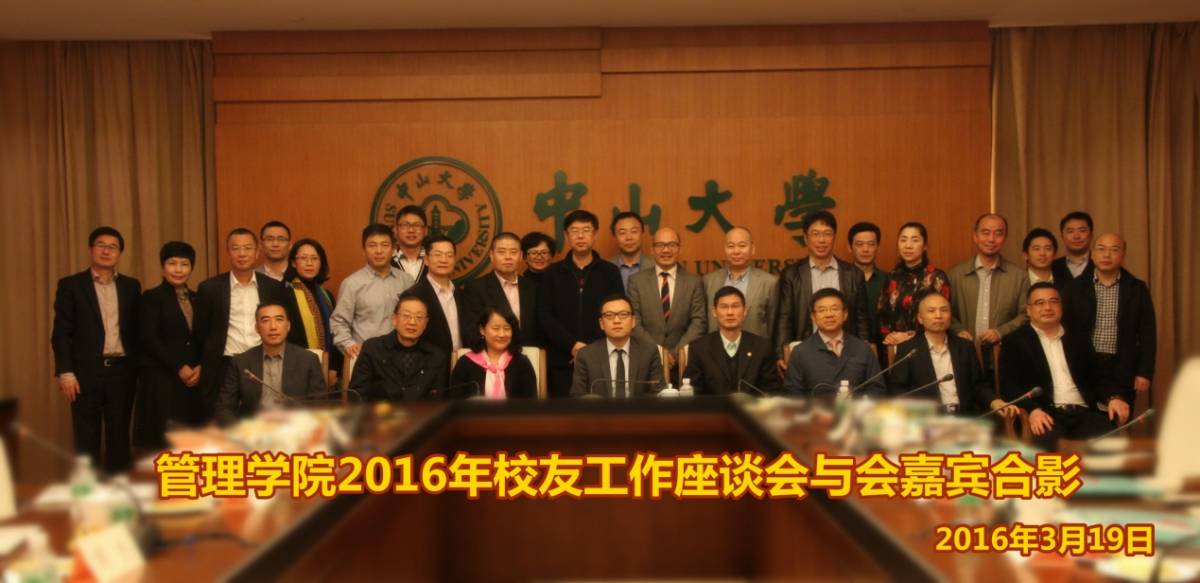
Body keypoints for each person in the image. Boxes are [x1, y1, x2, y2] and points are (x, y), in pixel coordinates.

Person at [51, 227, 142, 473]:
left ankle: (119, 498)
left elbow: (135, 330)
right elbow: (61, 333)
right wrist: (66, 373)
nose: (106, 251)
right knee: (86, 439)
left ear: (120, 253)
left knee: (119, 437)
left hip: (122, 372)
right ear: (90, 250)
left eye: (113, 247)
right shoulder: (71, 285)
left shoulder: (131, 286)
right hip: (85, 374)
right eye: (101, 245)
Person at [999, 283, 1128, 450]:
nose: (1047, 307)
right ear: (1029, 310)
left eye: (1053, 301)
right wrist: (1032, 410)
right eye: (1040, 303)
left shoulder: (1078, 339)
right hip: (1046, 414)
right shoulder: (1014, 341)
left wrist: (1113, 398)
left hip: (1083, 413)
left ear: (1061, 307)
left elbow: (1098, 377)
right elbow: (1009, 385)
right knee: (1048, 456)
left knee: (1113, 447)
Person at [194, 228, 293, 421]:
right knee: (223, 422)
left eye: (248, 248)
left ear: (257, 252)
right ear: (228, 252)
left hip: (262, 362)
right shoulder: (210, 288)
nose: (242, 253)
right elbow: (200, 331)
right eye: (236, 248)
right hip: (224, 364)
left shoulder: (272, 287)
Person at [537, 210, 625, 397]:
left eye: (586, 230)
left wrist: (588, 349)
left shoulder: (610, 272)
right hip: (562, 359)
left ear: (595, 234)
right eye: (574, 231)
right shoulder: (553, 272)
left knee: (601, 418)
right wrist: (572, 345)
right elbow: (545, 314)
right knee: (563, 419)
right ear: (566, 235)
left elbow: (617, 313)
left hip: (601, 357)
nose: (580, 236)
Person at [1063, 233, 1156, 407]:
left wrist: (1145, 372)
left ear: (1123, 255)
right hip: (1085, 365)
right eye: (1101, 249)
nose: (1107, 255)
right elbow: (1066, 330)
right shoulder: (1075, 288)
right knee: (1090, 425)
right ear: (1092, 253)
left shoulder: (1136, 288)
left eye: (1114, 250)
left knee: (1120, 423)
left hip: (1122, 368)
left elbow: (1147, 334)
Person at [888, 291, 1015, 417]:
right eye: (931, 311)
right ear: (920, 318)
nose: (938, 315)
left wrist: (995, 401)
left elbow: (978, 386)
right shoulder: (908, 349)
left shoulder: (965, 346)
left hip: (964, 418)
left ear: (950, 315)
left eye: (944, 310)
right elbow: (897, 389)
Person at [775, 210, 870, 373]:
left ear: (834, 237)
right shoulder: (792, 274)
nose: (821, 240)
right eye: (815, 234)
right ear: (805, 238)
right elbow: (785, 317)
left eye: (827, 234)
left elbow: (862, 319)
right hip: (805, 352)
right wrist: (781, 354)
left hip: (846, 353)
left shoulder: (853, 274)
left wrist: (865, 350)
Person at [134, 242, 202, 449]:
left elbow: (206, 337)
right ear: (163, 267)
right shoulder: (152, 297)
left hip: (193, 380)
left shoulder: (198, 297)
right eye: (172, 263)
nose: (179, 269)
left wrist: (201, 366)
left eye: (185, 264)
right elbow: (149, 338)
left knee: (190, 440)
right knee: (164, 441)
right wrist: (178, 366)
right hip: (162, 379)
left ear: (191, 268)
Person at [215, 302, 326, 426]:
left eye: (279, 320)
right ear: (257, 328)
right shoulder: (241, 362)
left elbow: (319, 404)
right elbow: (224, 407)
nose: (273, 326)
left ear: (288, 326)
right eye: (265, 320)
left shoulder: (308, 360)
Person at [946, 213, 1029, 380]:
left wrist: (1000, 332)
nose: (991, 239)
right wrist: (959, 330)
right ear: (975, 236)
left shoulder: (1019, 275)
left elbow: (1026, 314)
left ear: (1005, 238)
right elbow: (947, 312)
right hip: (964, 353)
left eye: (998, 234)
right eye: (985, 233)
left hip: (1004, 353)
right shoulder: (955, 274)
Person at [628, 228, 707, 377]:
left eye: (672, 244)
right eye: (660, 245)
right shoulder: (636, 281)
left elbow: (699, 322)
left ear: (680, 248)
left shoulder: (694, 282)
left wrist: (676, 354)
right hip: (646, 361)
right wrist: (659, 353)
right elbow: (634, 322)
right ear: (652, 249)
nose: (666, 250)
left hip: (684, 363)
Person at [329, 224, 416, 360]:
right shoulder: (352, 284)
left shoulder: (407, 281)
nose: (379, 251)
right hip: (367, 357)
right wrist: (348, 344)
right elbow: (339, 322)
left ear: (393, 249)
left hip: (403, 356)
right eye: (372, 245)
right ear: (364, 250)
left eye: (384, 245)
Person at [348, 291, 450, 401]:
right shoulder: (373, 348)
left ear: (425, 323)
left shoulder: (436, 356)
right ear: (395, 319)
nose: (412, 322)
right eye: (406, 316)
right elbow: (357, 395)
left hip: (419, 417)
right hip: (378, 416)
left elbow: (436, 402)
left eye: (419, 317)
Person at [783, 289, 883, 399]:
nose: (829, 314)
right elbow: (793, 393)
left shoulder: (863, 348)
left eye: (835, 309)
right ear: (813, 317)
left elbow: (877, 388)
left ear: (845, 314)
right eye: (822, 310)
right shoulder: (800, 352)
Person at [683, 287, 780, 396]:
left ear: (745, 310)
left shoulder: (762, 347)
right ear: (714, 312)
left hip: (752, 411)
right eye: (724, 307)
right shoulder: (699, 348)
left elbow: (772, 391)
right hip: (714, 411)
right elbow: (693, 392)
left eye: (735, 306)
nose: (730, 312)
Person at [570, 294, 664, 397]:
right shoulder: (586, 355)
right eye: (609, 315)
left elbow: (658, 393)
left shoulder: (649, 351)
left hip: (638, 412)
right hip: (600, 412)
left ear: (633, 321)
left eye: (623, 314)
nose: (616, 321)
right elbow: (577, 397)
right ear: (601, 323)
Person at [877, 222, 951, 347]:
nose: (908, 246)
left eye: (915, 240)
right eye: (903, 240)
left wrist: (910, 336)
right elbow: (882, 314)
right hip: (895, 346)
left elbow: (943, 318)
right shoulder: (892, 277)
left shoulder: (936, 277)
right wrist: (889, 336)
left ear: (925, 246)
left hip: (927, 346)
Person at [462, 232, 539, 348]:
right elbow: (473, 330)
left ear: (520, 256)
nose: (508, 257)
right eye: (501, 252)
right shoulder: (476, 288)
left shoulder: (533, 287)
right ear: (492, 255)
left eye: (513, 252)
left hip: (528, 356)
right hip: (492, 358)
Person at [703, 226, 778, 341]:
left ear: (752, 249)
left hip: (756, 352)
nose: (736, 251)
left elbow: (773, 325)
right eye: (731, 246)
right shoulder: (709, 281)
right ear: (725, 249)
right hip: (715, 352)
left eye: (742, 246)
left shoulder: (769, 283)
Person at [283, 238, 341, 386]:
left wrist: (333, 368)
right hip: (297, 372)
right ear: (293, 263)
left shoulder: (327, 295)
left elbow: (336, 331)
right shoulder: (284, 294)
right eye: (303, 258)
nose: (309, 263)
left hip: (329, 371)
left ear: (321, 263)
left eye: (314, 258)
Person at [450, 305, 537, 399]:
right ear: (482, 330)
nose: (502, 334)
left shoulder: (522, 363)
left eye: (507, 328)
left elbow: (530, 405)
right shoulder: (465, 363)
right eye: (496, 328)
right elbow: (456, 404)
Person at [408, 235, 465, 357]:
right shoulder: (413, 295)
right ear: (426, 260)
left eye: (449, 256)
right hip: (428, 366)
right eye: (438, 255)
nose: (443, 260)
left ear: (455, 260)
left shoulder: (461, 293)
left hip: (461, 364)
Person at [847, 222, 887, 368]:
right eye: (859, 244)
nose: (865, 249)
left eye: (871, 244)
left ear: (878, 247)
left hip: (883, 349)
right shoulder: (841, 279)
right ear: (850, 248)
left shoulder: (889, 280)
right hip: (848, 349)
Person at [607, 212, 654, 291]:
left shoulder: (655, 265)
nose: (629, 237)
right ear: (614, 237)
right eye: (622, 233)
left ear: (642, 234)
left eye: (634, 231)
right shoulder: (604, 268)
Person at [1051, 211, 1095, 286]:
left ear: (1091, 235)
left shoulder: (1101, 265)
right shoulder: (1052, 267)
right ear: (1062, 237)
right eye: (1070, 231)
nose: (1076, 236)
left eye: (1082, 231)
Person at [391, 205, 429, 282]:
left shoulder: (433, 260)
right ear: (395, 230)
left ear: (425, 231)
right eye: (405, 225)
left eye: (417, 225)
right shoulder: (387, 261)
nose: (411, 230)